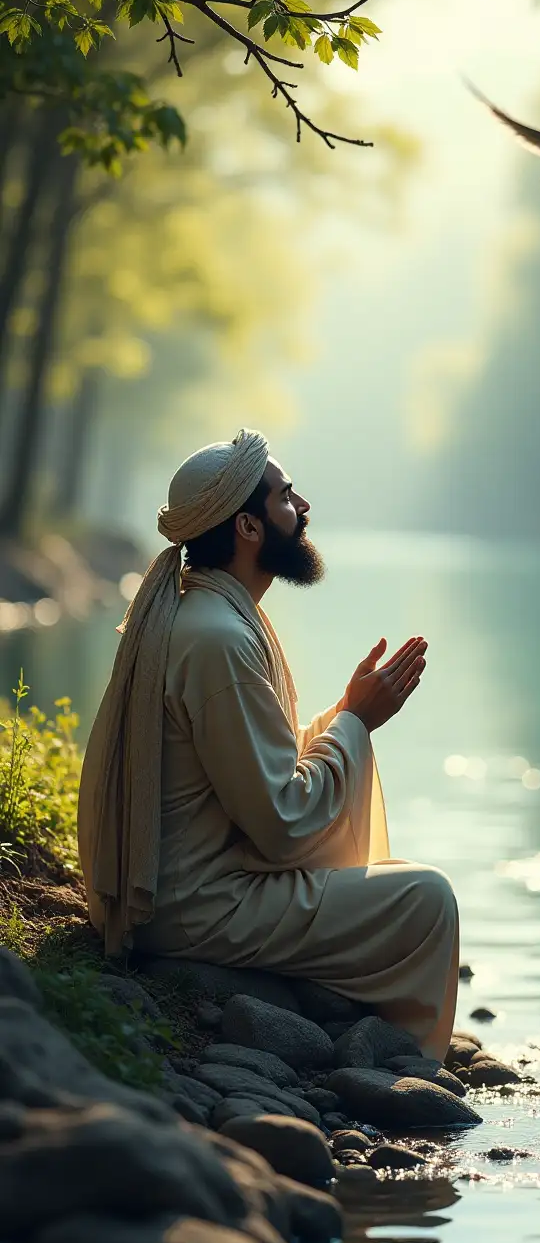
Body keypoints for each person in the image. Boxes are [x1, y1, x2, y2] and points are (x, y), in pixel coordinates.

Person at [77, 429, 459, 1058]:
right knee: (427, 901)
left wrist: (347, 713)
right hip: (195, 907)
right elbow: (281, 823)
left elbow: (255, 779)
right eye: (286, 496)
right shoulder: (218, 638)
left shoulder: (206, 615)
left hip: (188, 891)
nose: (302, 506)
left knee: (401, 879)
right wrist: (356, 724)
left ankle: (340, 1016)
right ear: (249, 528)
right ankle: (398, 1060)